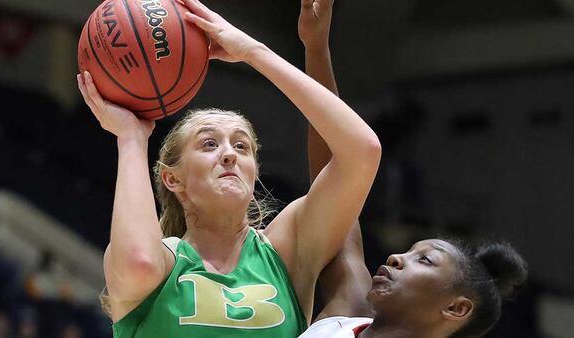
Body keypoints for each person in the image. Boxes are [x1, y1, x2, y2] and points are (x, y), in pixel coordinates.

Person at [76, 0, 382, 337]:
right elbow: (139, 263)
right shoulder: (163, 262)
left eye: (241, 146)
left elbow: (361, 151)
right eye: (209, 144)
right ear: (172, 178)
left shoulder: (284, 250)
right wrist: (132, 138)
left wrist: (254, 52)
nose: (229, 155)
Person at [298, 1, 529, 337]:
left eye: (424, 260)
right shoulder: (347, 311)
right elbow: (333, 176)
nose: (395, 257)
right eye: (411, 252)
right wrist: (316, 47)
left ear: (456, 307)